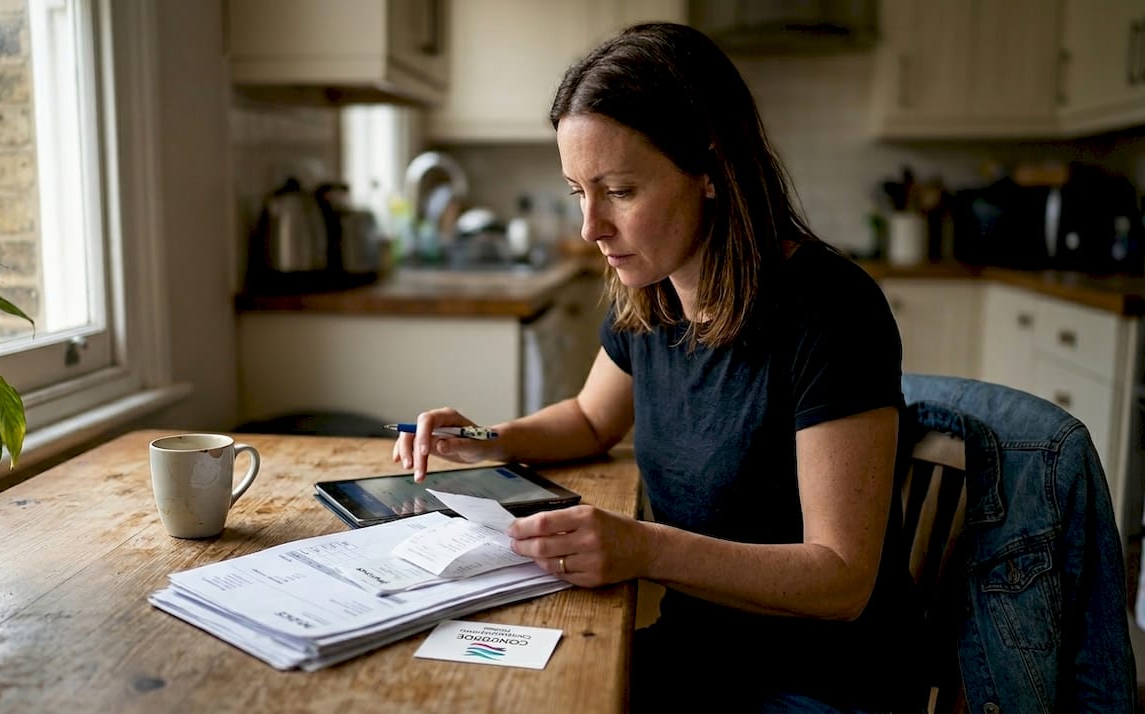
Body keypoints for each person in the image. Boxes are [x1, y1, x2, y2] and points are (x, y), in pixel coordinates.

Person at [392, 22, 919, 713]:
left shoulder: (831, 310)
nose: (591, 228)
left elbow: (841, 581)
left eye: (618, 191)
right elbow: (590, 420)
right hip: (699, 657)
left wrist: (643, 549)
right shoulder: (654, 294)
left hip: (819, 684)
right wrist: (486, 440)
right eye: (579, 192)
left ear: (710, 171)